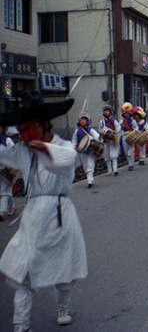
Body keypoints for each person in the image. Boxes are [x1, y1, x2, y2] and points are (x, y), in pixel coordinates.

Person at [0, 90, 88, 331]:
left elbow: (65, 161)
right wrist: (27, 143)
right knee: (23, 273)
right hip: (33, 217)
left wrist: (37, 144)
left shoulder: (64, 147)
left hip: (59, 214)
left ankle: (63, 308)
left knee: (63, 269)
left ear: (45, 125)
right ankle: (21, 325)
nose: (24, 136)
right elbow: (3, 154)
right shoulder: (23, 150)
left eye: (29, 129)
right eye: (21, 131)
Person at [71, 112, 100, 187]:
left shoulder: (91, 130)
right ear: (79, 121)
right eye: (81, 120)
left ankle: (90, 181)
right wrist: (75, 147)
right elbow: (74, 141)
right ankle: (88, 177)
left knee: (90, 165)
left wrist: (98, 139)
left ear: (87, 121)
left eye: (84, 120)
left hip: (91, 150)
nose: (83, 121)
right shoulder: (77, 132)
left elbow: (97, 137)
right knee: (85, 167)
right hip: (82, 152)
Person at [98, 105, 121, 176]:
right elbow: (100, 130)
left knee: (113, 155)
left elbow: (118, 128)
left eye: (108, 111)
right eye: (105, 111)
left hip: (112, 140)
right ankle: (109, 170)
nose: (106, 112)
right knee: (107, 155)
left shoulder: (114, 121)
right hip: (106, 140)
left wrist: (114, 134)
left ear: (111, 112)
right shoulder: (101, 122)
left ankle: (115, 169)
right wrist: (102, 134)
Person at [0, 124, 17, 218]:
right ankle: (13, 207)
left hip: (8, 170)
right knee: (6, 189)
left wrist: (13, 169)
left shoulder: (7, 140)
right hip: (0, 170)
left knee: (4, 189)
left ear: (3, 129)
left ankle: (2, 212)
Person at [119, 102, 138, 170]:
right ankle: (129, 162)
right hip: (124, 136)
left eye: (127, 114)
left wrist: (133, 133)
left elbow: (136, 128)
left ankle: (131, 164)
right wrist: (121, 133)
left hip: (131, 135)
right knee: (126, 151)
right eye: (125, 114)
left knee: (131, 151)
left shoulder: (132, 121)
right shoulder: (121, 122)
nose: (126, 115)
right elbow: (119, 129)